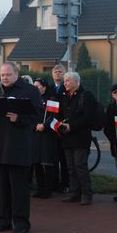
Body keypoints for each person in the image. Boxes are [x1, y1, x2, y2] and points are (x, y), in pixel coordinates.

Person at [0, 62, 41, 233]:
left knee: (19, 187)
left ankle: (21, 222)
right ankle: (3, 220)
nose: (5, 78)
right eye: (3, 75)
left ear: (17, 74)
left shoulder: (30, 91)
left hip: (18, 147)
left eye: (8, 74)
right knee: (2, 187)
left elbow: (37, 114)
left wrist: (19, 117)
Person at [58, 72, 96, 206]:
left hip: (81, 138)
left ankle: (87, 194)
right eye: (64, 81)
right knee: (71, 167)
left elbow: (88, 117)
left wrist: (71, 126)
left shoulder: (86, 96)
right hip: (67, 138)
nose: (65, 83)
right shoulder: (64, 96)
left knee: (80, 166)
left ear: (76, 82)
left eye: (67, 81)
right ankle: (74, 192)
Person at [31, 78, 58, 198]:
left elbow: (54, 116)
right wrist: (35, 125)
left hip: (47, 135)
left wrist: (44, 125)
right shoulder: (32, 100)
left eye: (38, 86)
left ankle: (48, 190)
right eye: (34, 86)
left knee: (47, 163)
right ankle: (39, 188)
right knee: (37, 163)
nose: (35, 88)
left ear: (44, 87)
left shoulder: (52, 100)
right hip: (35, 134)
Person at [50, 64, 69, 193]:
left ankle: (65, 184)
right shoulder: (49, 88)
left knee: (65, 159)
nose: (57, 73)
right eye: (55, 71)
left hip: (63, 127)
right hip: (50, 127)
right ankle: (54, 183)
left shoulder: (67, 89)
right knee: (53, 158)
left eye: (60, 71)